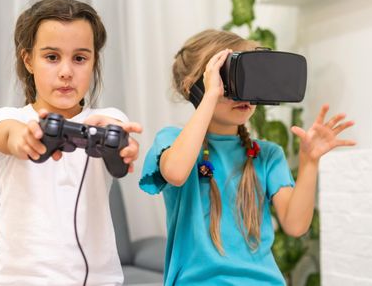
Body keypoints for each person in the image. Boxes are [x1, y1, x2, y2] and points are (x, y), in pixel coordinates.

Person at [139, 29, 355, 285]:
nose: (245, 91)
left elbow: (296, 225)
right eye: (230, 78)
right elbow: (175, 172)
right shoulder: (173, 141)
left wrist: (309, 162)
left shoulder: (267, 155)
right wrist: (209, 96)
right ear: (196, 87)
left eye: (250, 76)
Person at [0, 0, 142, 286]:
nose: (67, 72)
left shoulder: (106, 119)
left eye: (80, 58)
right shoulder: (9, 118)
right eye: (52, 57)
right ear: (28, 60)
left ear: (93, 62)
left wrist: (121, 143)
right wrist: (27, 138)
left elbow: (118, 132)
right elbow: (8, 135)